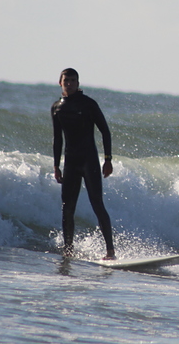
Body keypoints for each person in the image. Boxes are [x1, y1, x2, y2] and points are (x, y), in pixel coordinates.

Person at [51, 68, 116, 260]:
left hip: (89, 161)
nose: (69, 83)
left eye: (73, 80)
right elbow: (57, 139)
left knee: (97, 203)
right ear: (60, 83)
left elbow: (105, 131)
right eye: (66, 80)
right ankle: (68, 250)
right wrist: (56, 166)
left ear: (78, 83)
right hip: (70, 162)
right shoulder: (57, 107)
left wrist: (108, 160)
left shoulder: (88, 104)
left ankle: (110, 252)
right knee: (67, 207)